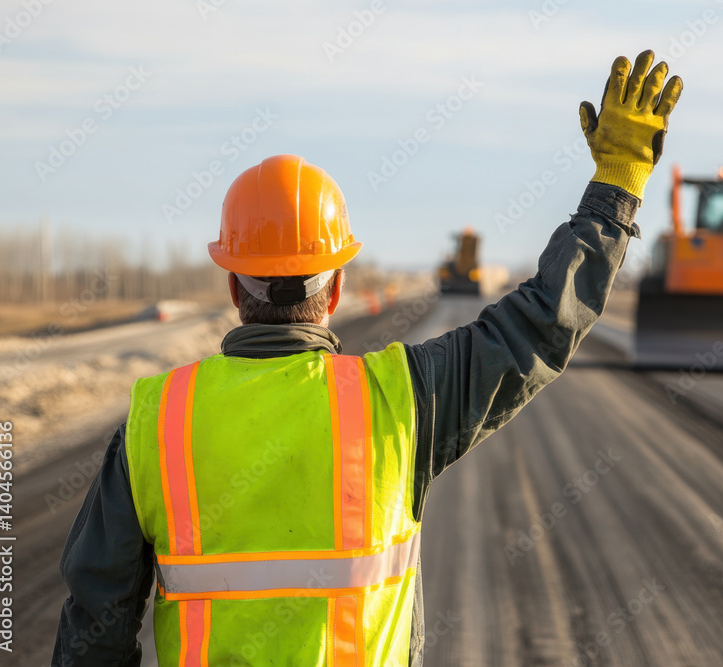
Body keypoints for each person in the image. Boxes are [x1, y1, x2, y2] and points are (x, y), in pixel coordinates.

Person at [53, 49, 682, 666]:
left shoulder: (154, 424)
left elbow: (95, 627)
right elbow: (539, 324)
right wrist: (616, 184)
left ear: (231, 286)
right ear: (336, 289)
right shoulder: (399, 398)